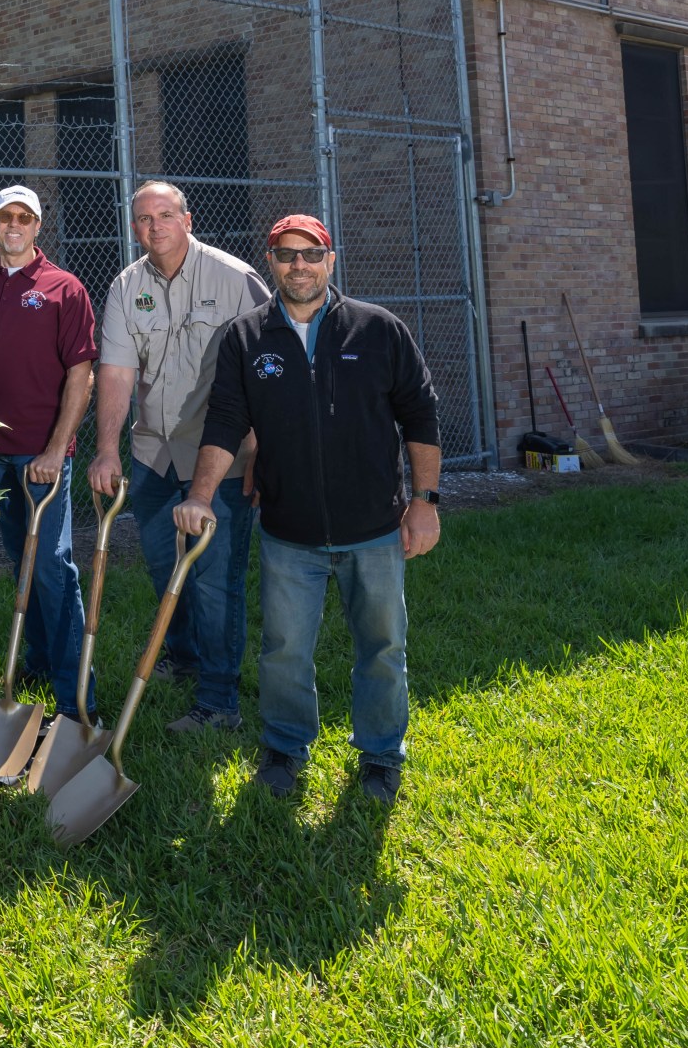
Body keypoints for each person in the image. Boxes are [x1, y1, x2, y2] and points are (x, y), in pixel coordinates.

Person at [185, 213, 442, 806]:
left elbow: (420, 417)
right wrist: (201, 494)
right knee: (284, 650)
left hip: (374, 529)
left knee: (382, 646)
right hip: (289, 532)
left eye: (309, 253)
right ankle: (284, 748)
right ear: (270, 263)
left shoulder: (378, 330)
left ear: (331, 259)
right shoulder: (245, 337)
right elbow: (226, 420)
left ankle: (380, 754)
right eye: (284, 254)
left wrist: (425, 503)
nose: (297, 264)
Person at [89, 181, 270, 732]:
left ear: (187, 220)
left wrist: (263, 452)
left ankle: (219, 702)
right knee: (165, 566)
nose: (153, 227)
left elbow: (272, 367)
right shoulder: (127, 286)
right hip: (152, 454)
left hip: (220, 457)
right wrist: (106, 450)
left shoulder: (236, 280)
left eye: (165, 215)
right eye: (143, 218)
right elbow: (117, 372)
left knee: (216, 580)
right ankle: (187, 655)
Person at [0, 184, 98, 718]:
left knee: (54, 566)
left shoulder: (64, 288)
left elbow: (81, 375)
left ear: (38, 225)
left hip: (43, 455)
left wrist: (56, 448)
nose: (13, 224)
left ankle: (76, 694)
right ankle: (38, 658)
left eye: (24, 216)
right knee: (21, 560)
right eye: (4, 216)